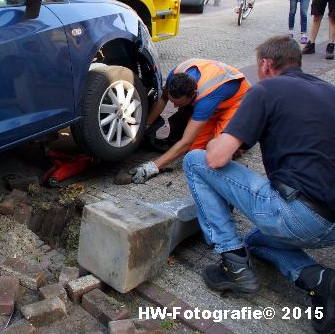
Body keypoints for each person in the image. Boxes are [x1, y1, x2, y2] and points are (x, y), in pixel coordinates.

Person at [182, 36, 335, 334]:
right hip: (332, 225)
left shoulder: (267, 89)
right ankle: (320, 280)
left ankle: (234, 265)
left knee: (196, 161)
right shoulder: (329, 91)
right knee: (257, 240)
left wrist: (220, 142)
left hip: (301, 216)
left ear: (265, 65)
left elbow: (217, 158)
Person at [122, 59, 250, 184]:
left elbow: (186, 141)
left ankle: (241, 140)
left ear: (194, 94)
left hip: (236, 102)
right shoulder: (175, 76)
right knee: (194, 152)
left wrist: (152, 167)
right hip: (213, 103)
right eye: (173, 102)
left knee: (218, 154)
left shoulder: (205, 98)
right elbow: (162, 100)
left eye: (179, 104)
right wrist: (144, 127)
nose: (176, 107)